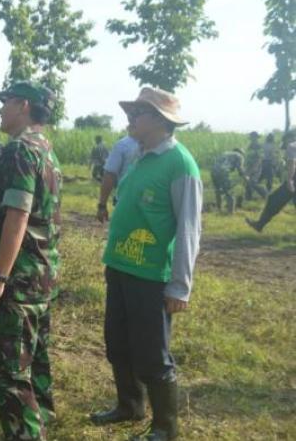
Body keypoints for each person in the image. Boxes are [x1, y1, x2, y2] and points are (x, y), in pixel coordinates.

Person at [90, 87, 202, 441]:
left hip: (151, 275)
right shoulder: (139, 156)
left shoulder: (180, 164)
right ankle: (130, 406)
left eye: (137, 113)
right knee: (117, 344)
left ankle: (165, 428)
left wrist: (180, 285)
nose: (130, 119)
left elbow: (188, 228)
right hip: (121, 268)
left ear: (158, 120)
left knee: (153, 354)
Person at [0, 81, 60, 440]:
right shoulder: (46, 150)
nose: (0, 110)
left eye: (5, 102)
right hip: (41, 276)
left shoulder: (20, 150)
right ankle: (42, 423)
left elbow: (18, 216)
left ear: (23, 105)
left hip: (18, 282)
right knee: (36, 361)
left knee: (11, 373)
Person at [246, 130, 296, 232]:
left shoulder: (291, 146)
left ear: (288, 138)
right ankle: (259, 225)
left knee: (274, 199)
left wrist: (290, 180)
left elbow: (292, 163)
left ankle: (259, 224)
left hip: (293, 179)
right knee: (274, 199)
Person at [96, 134, 140, 223]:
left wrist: (102, 205)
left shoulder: (122, 145)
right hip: (134, 203)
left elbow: (109, 176)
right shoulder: (163, 146)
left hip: (125, 202)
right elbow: (109, 175)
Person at [211, 148, 247, 214]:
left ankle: (219, 209)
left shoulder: (225, 152)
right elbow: (240, 169)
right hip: (223, 172)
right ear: (241, 153)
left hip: (213, 171)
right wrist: (246, 178)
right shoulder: (239, 156)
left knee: (218, 191)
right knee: (229, 192)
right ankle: (231, 212)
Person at [244, 132, 267, 200]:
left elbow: (260, 158)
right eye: (251, 137)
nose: (252, 138)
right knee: (247, 182)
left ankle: (264, 193)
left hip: (256, 166)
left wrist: (255, 167)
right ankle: (248, 198)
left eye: (253, 137)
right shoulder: (250, 146)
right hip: (249, 166)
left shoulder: (259, 146)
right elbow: (248, 156)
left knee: (253, 182)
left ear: (256, 138)